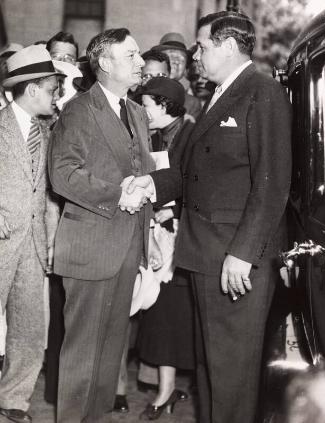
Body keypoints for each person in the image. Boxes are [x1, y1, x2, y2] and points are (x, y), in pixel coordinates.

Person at [124, 11, 292, 423]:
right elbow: (195, 172)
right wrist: (152, 184)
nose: (196, 54)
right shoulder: (223, 92)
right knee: (211, 368)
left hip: (233, 259)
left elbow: (272, 183)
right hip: (205, 254)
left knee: (231, 374)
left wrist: (244, 252)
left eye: (204, 46)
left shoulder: (262, 92)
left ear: (230, 47)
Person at [48, 28, 155, 423]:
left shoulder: (138, 113)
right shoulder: (79, 109)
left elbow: (139, 171)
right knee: (82, 354)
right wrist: (116, 194)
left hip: (127, 246)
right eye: (131, 55)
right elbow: (62, 173)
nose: (140, 62)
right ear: (105, 64)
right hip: (92, 246)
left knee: (111, 355)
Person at [0, 44, 63, 423]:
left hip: (34, 245)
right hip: (2, 238)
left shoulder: (48, 134)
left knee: (28, 329)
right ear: (34, 89)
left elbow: (49, 196)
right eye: (53, 89)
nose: (57, 97)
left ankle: (13, 401)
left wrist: (52, 241)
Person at [137, 76, 195, 420]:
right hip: (161, 238)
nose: (143, 112)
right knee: (163, 317)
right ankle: (167, 388)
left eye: (146, 106)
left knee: (171, 318)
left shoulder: (191, 135)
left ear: (164, 105)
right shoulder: (158, 136)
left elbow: (201, 185)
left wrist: (173, 208)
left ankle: (168, 390)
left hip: (184, 239)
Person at [152, 32, 202, 119]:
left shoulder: (192, 103)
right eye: (170, 56)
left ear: (185, 69)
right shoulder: (145, 94)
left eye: (181, 58)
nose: (176, 62)